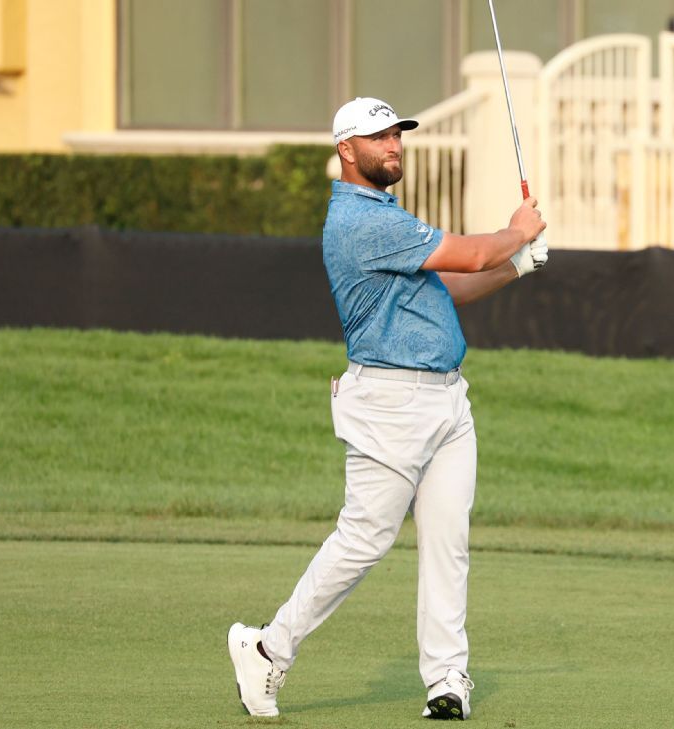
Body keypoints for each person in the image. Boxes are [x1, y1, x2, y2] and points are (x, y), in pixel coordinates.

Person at [227, 96, 547, 721]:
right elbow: (472, 254)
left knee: (448, 542)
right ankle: (267, 647)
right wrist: (517, 231)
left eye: (397, 135)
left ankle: (446, 681)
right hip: (391, 403)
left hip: (447, 400)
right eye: (379, 138)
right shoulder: (359, 221)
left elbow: (450, 284)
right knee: (364, 539)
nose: (394, 145)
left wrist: (518, 262)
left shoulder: (386, 214)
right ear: (347, 150)